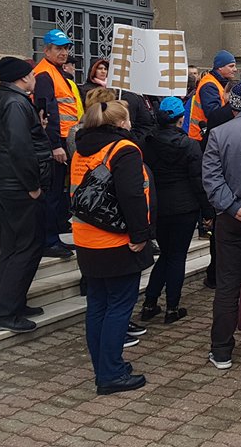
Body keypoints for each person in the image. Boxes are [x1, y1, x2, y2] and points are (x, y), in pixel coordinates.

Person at [70, 100, 153, 395]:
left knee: (98, 306)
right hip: (116, 242)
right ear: (120, 123)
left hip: (86, 238)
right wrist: (140, 235)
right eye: (128, 119)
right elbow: (131, 195)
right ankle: (111, 373)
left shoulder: (80, 149)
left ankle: (104, 367)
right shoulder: (124, 150)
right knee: (119, 306)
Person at [0, 57, 52, 333]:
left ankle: (13, 302)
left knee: (11, 246)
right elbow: (19, 148)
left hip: (4, 182)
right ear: (23, 78)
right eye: (32, 74)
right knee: (27, 245)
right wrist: (32, 185)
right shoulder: (15, 103)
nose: (35, 77)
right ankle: (4, 312)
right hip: (19, 186)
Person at [202, 81, 241, 370]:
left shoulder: (218, 134)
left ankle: (222, 349)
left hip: (231, 218)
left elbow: (211, 179)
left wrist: (234, 207)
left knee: (227, 283)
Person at [140, 97, 214, 325]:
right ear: (181, 118)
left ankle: (150, 302)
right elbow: (198, 180)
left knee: (166, 254)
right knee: (177, 255)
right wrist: (207, 211)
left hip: (159, 205)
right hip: (184, 206)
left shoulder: (147, 141)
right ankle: (172, 305)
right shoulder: (189, 145)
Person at [32, 28, 81, 258]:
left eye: (66, 48)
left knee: (59, 193)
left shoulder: (57, 71)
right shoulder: (44, 74)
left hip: (64, 138)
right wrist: (55, 145)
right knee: (51, 193)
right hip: (56, 141)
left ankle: (54, 236)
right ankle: (48, 241)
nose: (63, 53)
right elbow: (46, 112)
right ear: (46, 50)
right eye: (58, 48)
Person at [188, 49, 237, 140]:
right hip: (202, 136)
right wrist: (234, 108)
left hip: (207, 134)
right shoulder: (209, 85)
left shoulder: (215, 82)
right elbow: (213, 115)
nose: (235, 69)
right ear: (220, 67)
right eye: (231, 66)